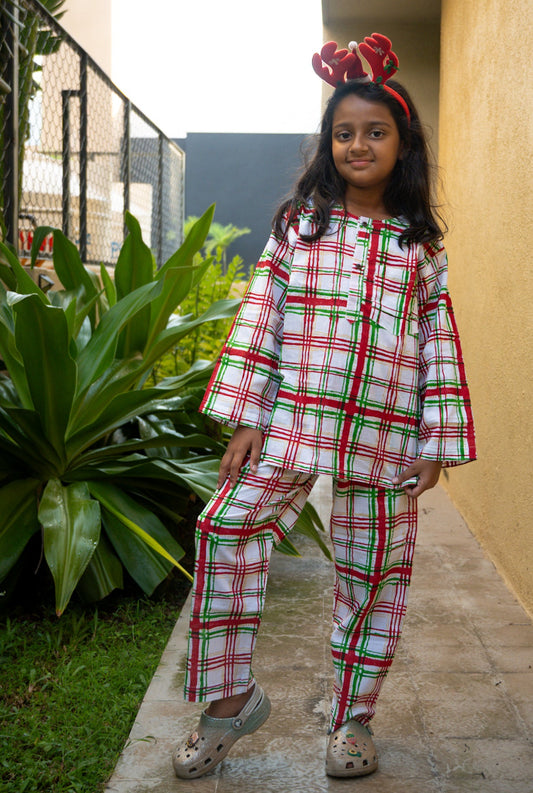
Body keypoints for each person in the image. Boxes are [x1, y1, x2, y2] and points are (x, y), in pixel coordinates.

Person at [172, 33, 476, 780]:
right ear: (327, 144)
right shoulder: (297, 229)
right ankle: (228, 698)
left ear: (402, 146)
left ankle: (352, 721)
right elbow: (259, 318)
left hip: (384, 434)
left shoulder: (418, 249)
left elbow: (438, 344)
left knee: (373, 575)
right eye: (343, 133)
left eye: (374, 132)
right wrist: (246, 414)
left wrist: (436, 441)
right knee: (225, 524)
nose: (357, 144)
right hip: (293, 422)